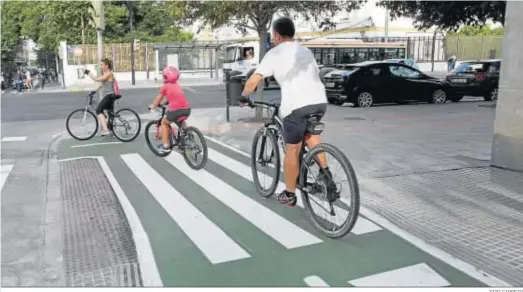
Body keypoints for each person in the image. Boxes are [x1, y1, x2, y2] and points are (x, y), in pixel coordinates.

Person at [239, 17, 335, 207]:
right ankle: (326, 177)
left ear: (276, 35)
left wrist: (243, 96)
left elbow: (254, 80)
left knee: (293, 148)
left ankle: (290, 194)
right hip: (319, 102)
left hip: (296, 105)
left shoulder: (274, 53)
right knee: (312, 137)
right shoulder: (305, 50)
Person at [149, 66, 191, 154]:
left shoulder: (165, 86)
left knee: (164, 123)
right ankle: (188, 136)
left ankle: (166, 146)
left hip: (175, 111)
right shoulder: (177, 85)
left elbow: (158, 99)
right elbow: (175, 96)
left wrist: (153, 106)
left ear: (165, 77)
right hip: (187, 109)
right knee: (181, 120)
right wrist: (166, 102)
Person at [84, 58, 119, 136]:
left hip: (109, 96)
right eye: (100, 65)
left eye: (102, 65)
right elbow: (101, 84)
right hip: (110, 96)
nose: (100, 66)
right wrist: (93, 91)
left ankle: (106, 130)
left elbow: (96, 79)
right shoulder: (106, 74)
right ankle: (110, 129)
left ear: (106, 66)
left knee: (98, 111)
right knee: (110, 115)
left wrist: (89, 73)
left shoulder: (109, 74)